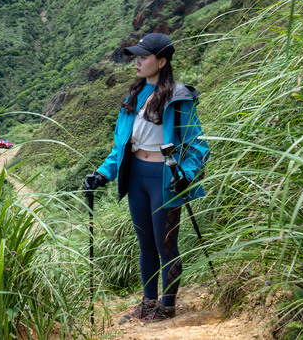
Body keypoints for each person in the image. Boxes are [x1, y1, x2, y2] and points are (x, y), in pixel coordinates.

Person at [82, 33, 209, 323]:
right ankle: (148, 302)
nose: (137, 62)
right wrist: (102, 173)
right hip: (137, 175)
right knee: (146, 244)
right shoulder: (134, 95)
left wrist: (186, 176)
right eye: (135, 57)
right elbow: (121, 145)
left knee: (166, 245)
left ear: (162, 61)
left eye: (144, 57)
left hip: (165, 177)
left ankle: (167, 306)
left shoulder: (179, 98)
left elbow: (199, 146)